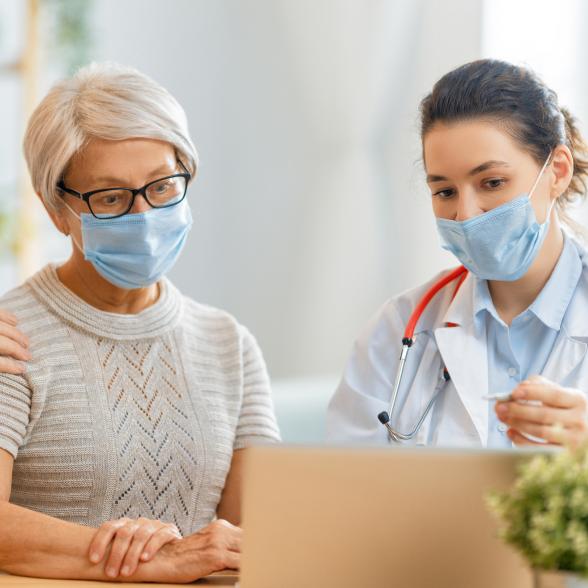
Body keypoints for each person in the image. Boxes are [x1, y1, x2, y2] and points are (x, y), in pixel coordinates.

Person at [0, 62, 280, 583]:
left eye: (162, 187)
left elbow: (255, 533)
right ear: (56, 210)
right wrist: (155, 560)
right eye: (110, 199)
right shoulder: (10, 339)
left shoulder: (228, 344)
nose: (144, 215)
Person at [328, 59, 588, 448]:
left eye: (492, 182)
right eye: (445, 191)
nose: (465, 214)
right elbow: (341, 491)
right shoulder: (398, 329)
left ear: (558, 171)